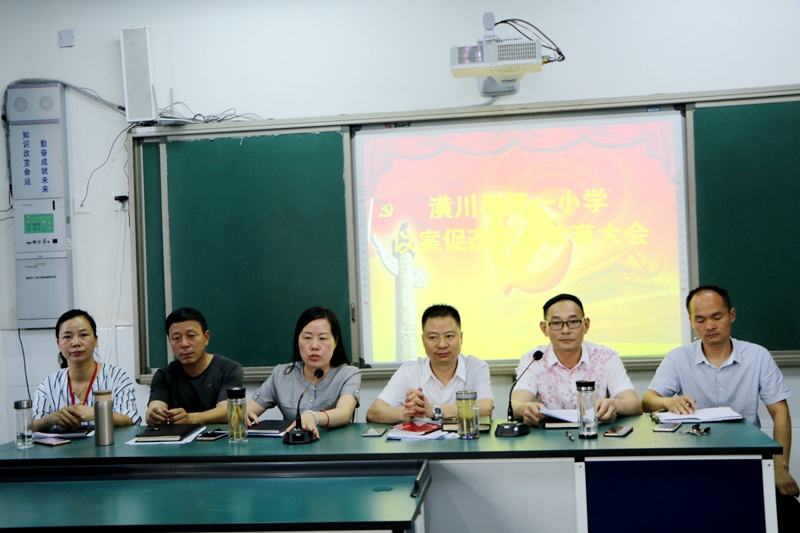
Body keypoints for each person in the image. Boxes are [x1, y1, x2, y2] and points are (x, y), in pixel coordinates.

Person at [642, 286, 799, 503]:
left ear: (731, 315)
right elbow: (647, 401)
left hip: (748, 456)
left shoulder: (757, 356)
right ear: (691, 322)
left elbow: (780, 411)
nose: (709, 326)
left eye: (717, 317)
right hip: (694, 459)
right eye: (700, 320)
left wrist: (780, 466)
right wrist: (669, 402)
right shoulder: (678, 358)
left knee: (785, 508)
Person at [511, 294, 642, 426]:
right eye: (556, 323)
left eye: (573, 322)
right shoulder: (533, 359)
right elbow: (516, 406)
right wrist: (525, 409)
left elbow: (634, 404)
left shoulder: (606, 356)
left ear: (586, 325)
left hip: (596, 433)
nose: (565, 330)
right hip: (548, 436)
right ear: (544, 328)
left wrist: (615, 405)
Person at [366, 304, 493, 424]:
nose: (442, 344)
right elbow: (373, 413)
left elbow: (486, 408)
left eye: (449, 336)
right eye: (433, 337)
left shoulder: (476, 367)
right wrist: (408, 412)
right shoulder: (409, 371)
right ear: (423, 340)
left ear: (461, 337)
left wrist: (434, 409)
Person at [246, 307, 361, 439]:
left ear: (335, 342)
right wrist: (243, 416)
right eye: (307, 337)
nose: (314, 346)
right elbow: (247, 411)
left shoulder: (348, 374)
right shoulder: (281, 375)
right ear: (298, 341)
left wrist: (313, 417)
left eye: (323, 338)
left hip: (335, 447)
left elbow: (344, 413)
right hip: (291, 448)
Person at [33, 309, 140, 431]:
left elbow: (130, 419)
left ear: (96, 340)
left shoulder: (117, 377)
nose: (76, 343)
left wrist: (96, 413)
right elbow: (30, 427)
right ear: (58, 344)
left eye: (83, 335)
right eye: (67, 337)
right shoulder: (48, 384)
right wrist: (51, 419)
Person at [146, 307, 243, 425]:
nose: (184, 344)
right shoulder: (163, 376)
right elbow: (155, 407)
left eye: (191, 335)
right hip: (177, 436)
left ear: (206, 337)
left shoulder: (229, 369)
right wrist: (154, 415)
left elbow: (227, 410)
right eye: (176, 338)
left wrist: (190, 418)